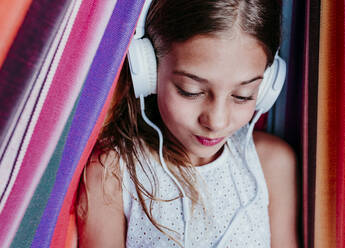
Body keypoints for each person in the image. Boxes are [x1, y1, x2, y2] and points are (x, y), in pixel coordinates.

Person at [76, 0, 298, 247]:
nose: (216, 121)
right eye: (190, 91)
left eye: (242, 95)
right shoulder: (114, 173)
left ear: (267, 87)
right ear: (148, 70)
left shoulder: (271, 165)